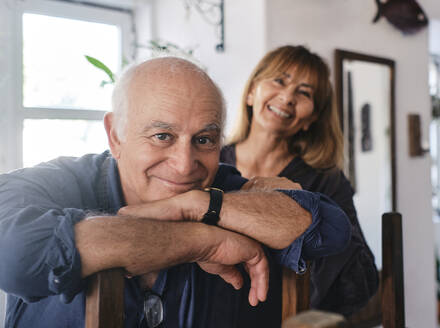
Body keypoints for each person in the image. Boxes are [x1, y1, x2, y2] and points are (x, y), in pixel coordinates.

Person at [0, 57, 352, 328]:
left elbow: (330, 230)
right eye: (162, 136)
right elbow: (15, 255)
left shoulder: (219, 190)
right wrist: (202, 241)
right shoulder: (56, 182)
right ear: (116, 136)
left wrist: (201, 205)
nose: (185, 165)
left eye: (204, 140)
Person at [221, 45, 378, 317]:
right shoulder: (210, 163)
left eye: (304, 92)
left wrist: (308, 219)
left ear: (312, 119)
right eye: (279, 80)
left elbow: (361, 283)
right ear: (251, 92)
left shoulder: (326, 180)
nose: (287, 97)